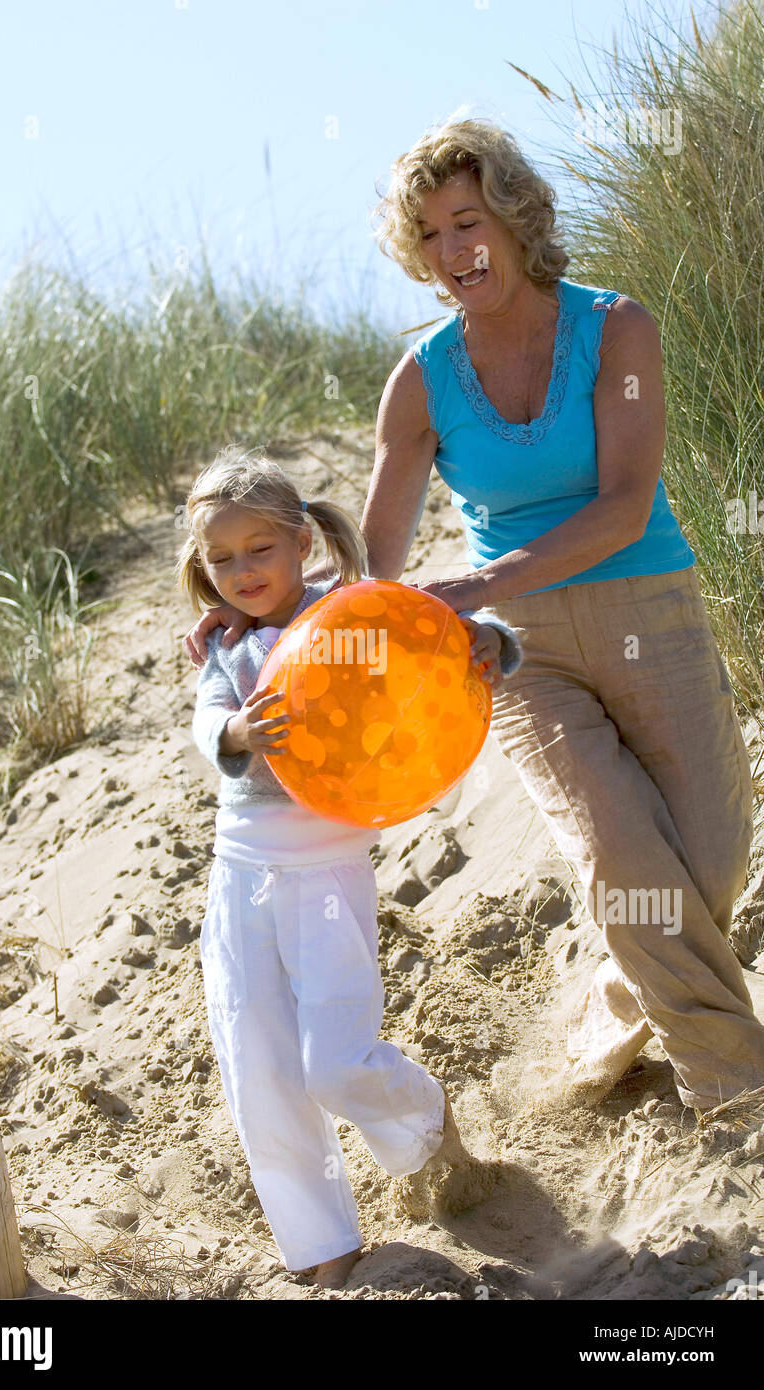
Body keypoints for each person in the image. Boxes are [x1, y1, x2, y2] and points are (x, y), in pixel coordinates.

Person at [186, 113, 764, 1116]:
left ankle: (611, 1013)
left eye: (466, 222)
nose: (452, 252)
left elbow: (624, 503)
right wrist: (261, 624)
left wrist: (474, 586)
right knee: (625, 861)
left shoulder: (614, 328)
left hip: (649, 610)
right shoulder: (419, 383)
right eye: (429, 235)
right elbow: (373, 567)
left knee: (707, 866)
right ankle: (733, 1087)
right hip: (517, 655)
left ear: (512, 216)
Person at [175, 446, 523, 1288]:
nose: (241, 571)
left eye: (260, 548)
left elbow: (444, 642)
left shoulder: (353, 612)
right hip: (239, 873)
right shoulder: (227, 648)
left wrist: (487, 642)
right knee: (256, 1069)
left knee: (331, 1061)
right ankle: (323, 1248)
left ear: (302, 542)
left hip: (328, 873)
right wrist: (233, 735)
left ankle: (422, 1116)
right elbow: (206, 726)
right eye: (220, 558)